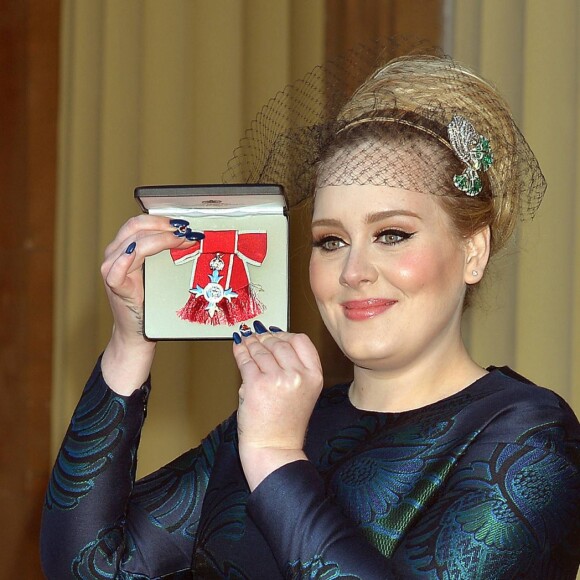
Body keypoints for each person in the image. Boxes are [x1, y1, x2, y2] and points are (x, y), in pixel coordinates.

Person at [41, 53, 580, 579]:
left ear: (473, 251)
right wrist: (130, 339)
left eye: (392, 234)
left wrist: (275, 457)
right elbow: (88, 565)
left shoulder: (531, 437)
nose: (353, 271)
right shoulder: (279, 417)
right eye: (330, 241)